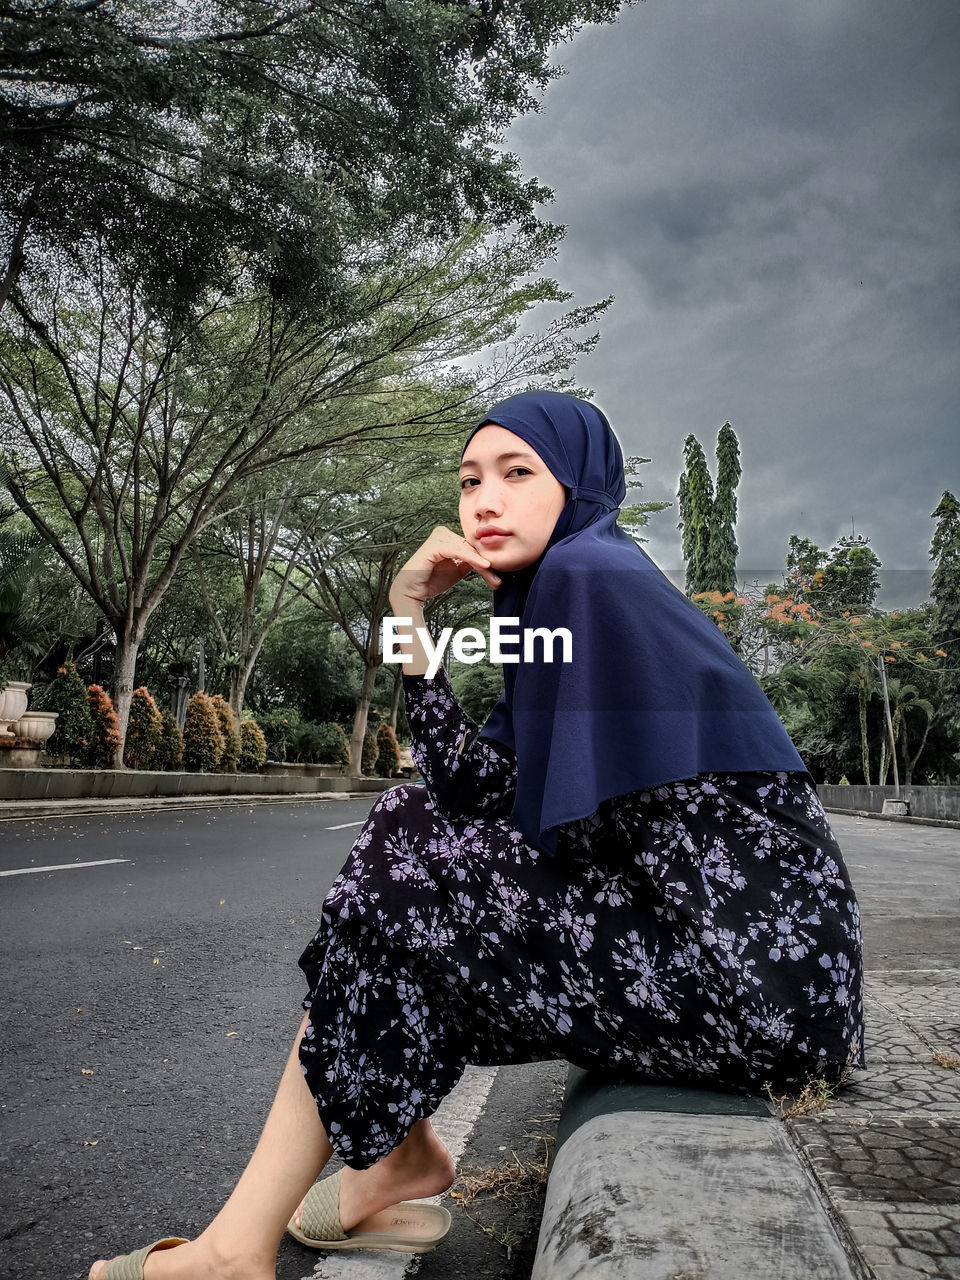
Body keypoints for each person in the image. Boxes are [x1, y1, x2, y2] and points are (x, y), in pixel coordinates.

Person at [88, 391, 864, 1280]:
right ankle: (379, 1170)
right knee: (412, 851)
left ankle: (270, 1231)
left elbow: (486, 817)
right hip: (736, 978)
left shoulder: (589, 577)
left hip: (744, 985)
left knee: (406, 847)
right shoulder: (554, 599)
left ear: (578, 486)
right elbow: (469, 784)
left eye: (517, 473)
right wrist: (406, 619)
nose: (482, 502)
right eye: (468, 481)